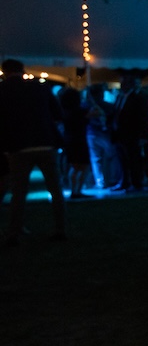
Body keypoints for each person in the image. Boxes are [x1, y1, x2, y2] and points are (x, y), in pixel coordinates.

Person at [0, 58, 66, 244]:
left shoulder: (2, 90)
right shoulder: (40, 87)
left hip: (18, 146)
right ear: (22, 70)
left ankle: (14, 231)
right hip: (46, 142)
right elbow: (58, 114)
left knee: (19, 192)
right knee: (55, 189)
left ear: (5, 72)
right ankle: (60, 229)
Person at [110, 74, 148, 192]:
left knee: (133, 159)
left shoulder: (138, 98)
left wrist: (143, 135)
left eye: (124, 83)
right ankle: (125, 181)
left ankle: (136, 182)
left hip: (131, 134)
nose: (121, 86)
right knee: (122, 159)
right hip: (119, 134)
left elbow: (142, 118)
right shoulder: (120, 97)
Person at [57, 86, 92, 199]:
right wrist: (91, 100)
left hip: (69, 139)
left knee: (74, 165)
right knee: (84, 165)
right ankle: (78, 190)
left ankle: (73, 190)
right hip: (80, 139)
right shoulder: (80, 111)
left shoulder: (64, 111)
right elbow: (98, 112)